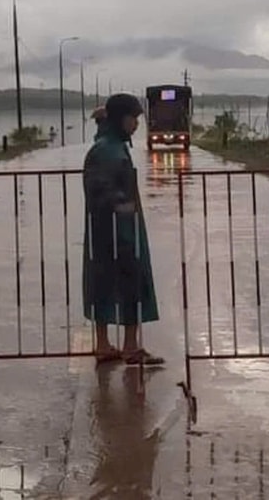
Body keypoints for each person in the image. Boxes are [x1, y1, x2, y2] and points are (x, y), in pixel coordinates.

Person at [82, 94, 164, 366]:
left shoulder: (112, 145)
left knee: (110, 282)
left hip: (115, 228)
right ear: (120, 118)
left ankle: (113, 344)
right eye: (133, 118)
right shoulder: (107, 149)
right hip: (115, 230)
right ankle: (123, 346)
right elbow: (99, 189)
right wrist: (122, 207)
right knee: (126, 282)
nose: (136, 124)